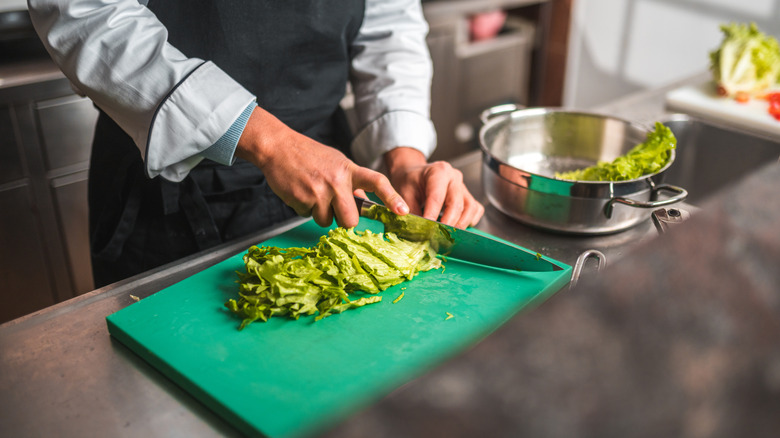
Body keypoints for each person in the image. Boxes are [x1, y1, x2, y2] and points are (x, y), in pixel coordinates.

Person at [28, 0, 484, 287]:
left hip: (331, 180)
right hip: (167, 189)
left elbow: (389, 19)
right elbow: (86, 14)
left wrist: (403, 156)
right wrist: (269, 142)